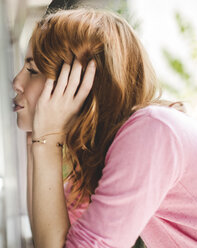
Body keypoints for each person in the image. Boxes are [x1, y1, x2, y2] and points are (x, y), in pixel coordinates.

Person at [12, 8, 197, 248]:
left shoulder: (152, 131)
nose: (16, 82)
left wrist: (46, 141)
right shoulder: (98, 159)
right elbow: (50, 238)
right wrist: (38, 140)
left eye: (32, 70)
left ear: (80, 84)